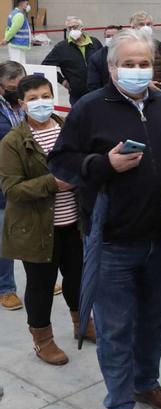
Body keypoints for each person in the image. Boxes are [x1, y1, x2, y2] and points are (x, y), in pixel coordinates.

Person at [48, 28, 161, 409]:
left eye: (144, 63)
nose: (138, 70)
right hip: (113, 242)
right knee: (116, 327)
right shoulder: (89, 109)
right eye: (129, 64)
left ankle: (146, 382)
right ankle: (120, 404)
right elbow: (63, 163)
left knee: (155, 318)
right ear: (111, 68)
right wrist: (103, 164)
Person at [0, 74, 93, 367]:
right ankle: (43, 339)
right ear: (21, 104)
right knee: (41, 286)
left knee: (78, 278)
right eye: (33, 99)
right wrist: (53, 183)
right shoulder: (13, 142)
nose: (41, 103)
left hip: (73, 224)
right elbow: (11, 189)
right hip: (37, 229)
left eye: (45, 96)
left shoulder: (68, 129)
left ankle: (82, 322)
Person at [87, 12, 161, 92]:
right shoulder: (123, 47)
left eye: (148, 24)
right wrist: (145, 83)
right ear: (133, 27)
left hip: (159, 91)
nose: (146, 27)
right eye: (141, 24)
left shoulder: (157, 45)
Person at [0, 61, 25, 311]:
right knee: (3, 237)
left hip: (30, 179)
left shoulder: (29, 103)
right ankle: (5, 288)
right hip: (3, 183)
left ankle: (43, 275)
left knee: (36, 232)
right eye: (11, 87)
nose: (16, 90)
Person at [41, 17, 103, 106]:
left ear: (82, 27)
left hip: (98, 90)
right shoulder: (61, 48)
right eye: (69, 28)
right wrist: (62, 80)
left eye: (75, 27)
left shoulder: (95, 42)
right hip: (77, 95)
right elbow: (45, 66)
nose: (72, 30)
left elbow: (103, 62)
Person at [85, 25, 123, 92]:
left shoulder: (130, 53)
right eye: (108, 36)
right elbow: (93, 85)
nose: (111, 38)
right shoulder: (96, 58)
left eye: (114, 36)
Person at [2, 0, 32, 64]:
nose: (28, 5)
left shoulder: (14, 13)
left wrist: (7, 39)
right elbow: (13, 30)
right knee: (18, 65)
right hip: (17, 44)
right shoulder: (19, 15)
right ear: (21, 3)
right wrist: (6, 39)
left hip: (16, 44)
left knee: (18, 65)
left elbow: (9, 28)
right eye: (26, 3)